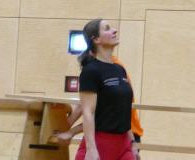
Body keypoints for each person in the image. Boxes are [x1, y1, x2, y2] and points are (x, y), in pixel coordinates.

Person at [55, 19, 136, 160]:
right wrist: (91, 149)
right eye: (107, 28)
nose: (114, 30)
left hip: (124, 145)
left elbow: (123, 110)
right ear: (96, 39)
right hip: (100, 143)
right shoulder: (91, 71)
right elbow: (88, 112)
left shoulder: (120, 69)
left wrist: (133, 143)